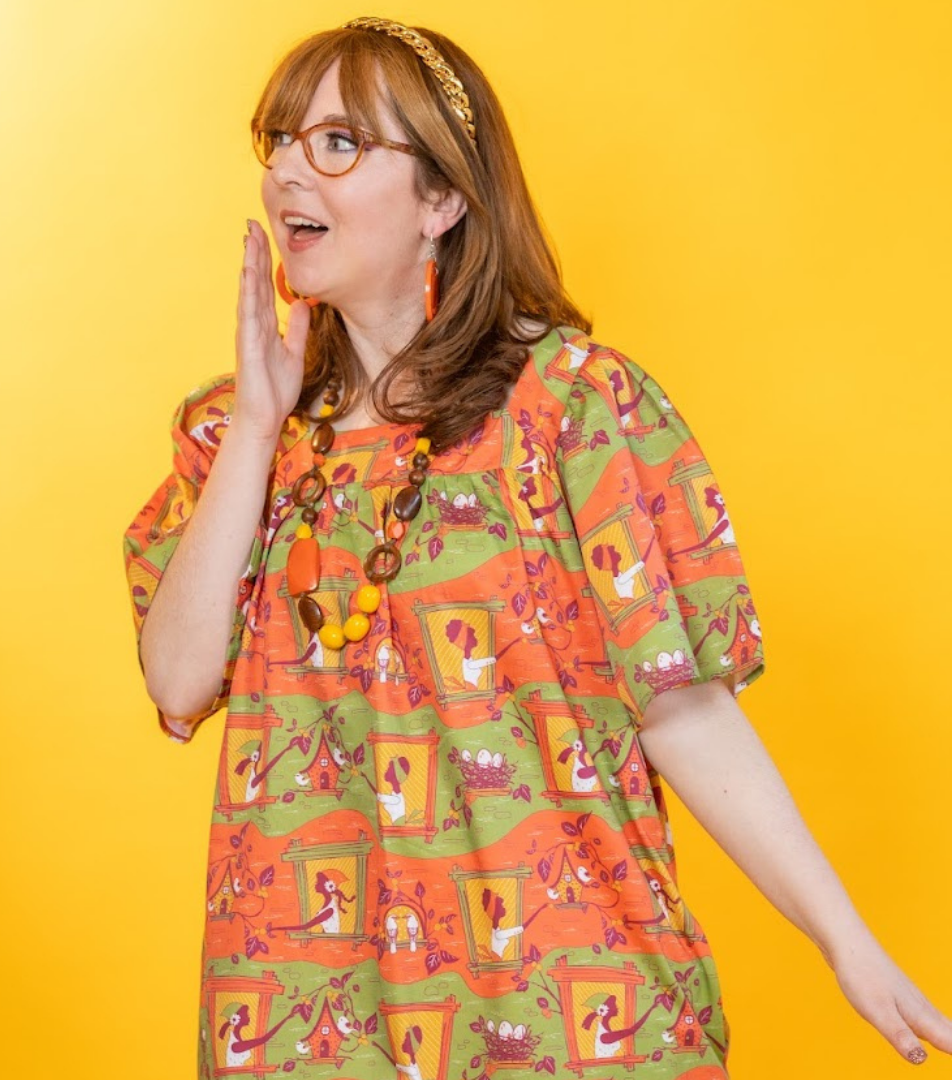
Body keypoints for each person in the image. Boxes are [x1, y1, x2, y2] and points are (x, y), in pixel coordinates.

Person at [122, 17, 952, 1078]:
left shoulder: (571, 409)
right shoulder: (231, 435)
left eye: (338, 142)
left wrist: (846, 940)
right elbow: (181, 681)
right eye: (279, 138)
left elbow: (684, 708)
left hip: (561, 1010)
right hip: (308, 1023)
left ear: (444, 202)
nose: (289, 165)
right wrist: (255, 425)